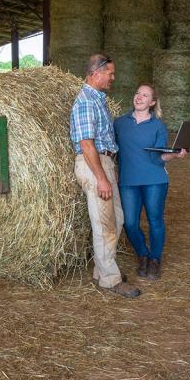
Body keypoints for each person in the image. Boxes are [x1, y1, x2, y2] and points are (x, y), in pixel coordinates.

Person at [70, 54, 141, 298]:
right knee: (104, 225)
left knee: (116, 219)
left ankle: (102, 271)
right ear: (95, 73)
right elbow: (87, 144)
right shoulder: (85, 102)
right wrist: (101, 177)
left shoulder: (98, 100)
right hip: (94, 164)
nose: (113, 77)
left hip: (104, 162)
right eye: (110, 73)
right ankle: (110, 280)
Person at [113, 85, 187, 280]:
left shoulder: (158, 126)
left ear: (152, 103)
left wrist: (174, 155)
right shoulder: (120, 123)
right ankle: (142, 254)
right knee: (130, 223)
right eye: (137, 93)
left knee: (155, 220)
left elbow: (158, 157)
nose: (139, 97)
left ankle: (154, 259)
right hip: (128, 180)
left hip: (155, 179)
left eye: (144, 95)